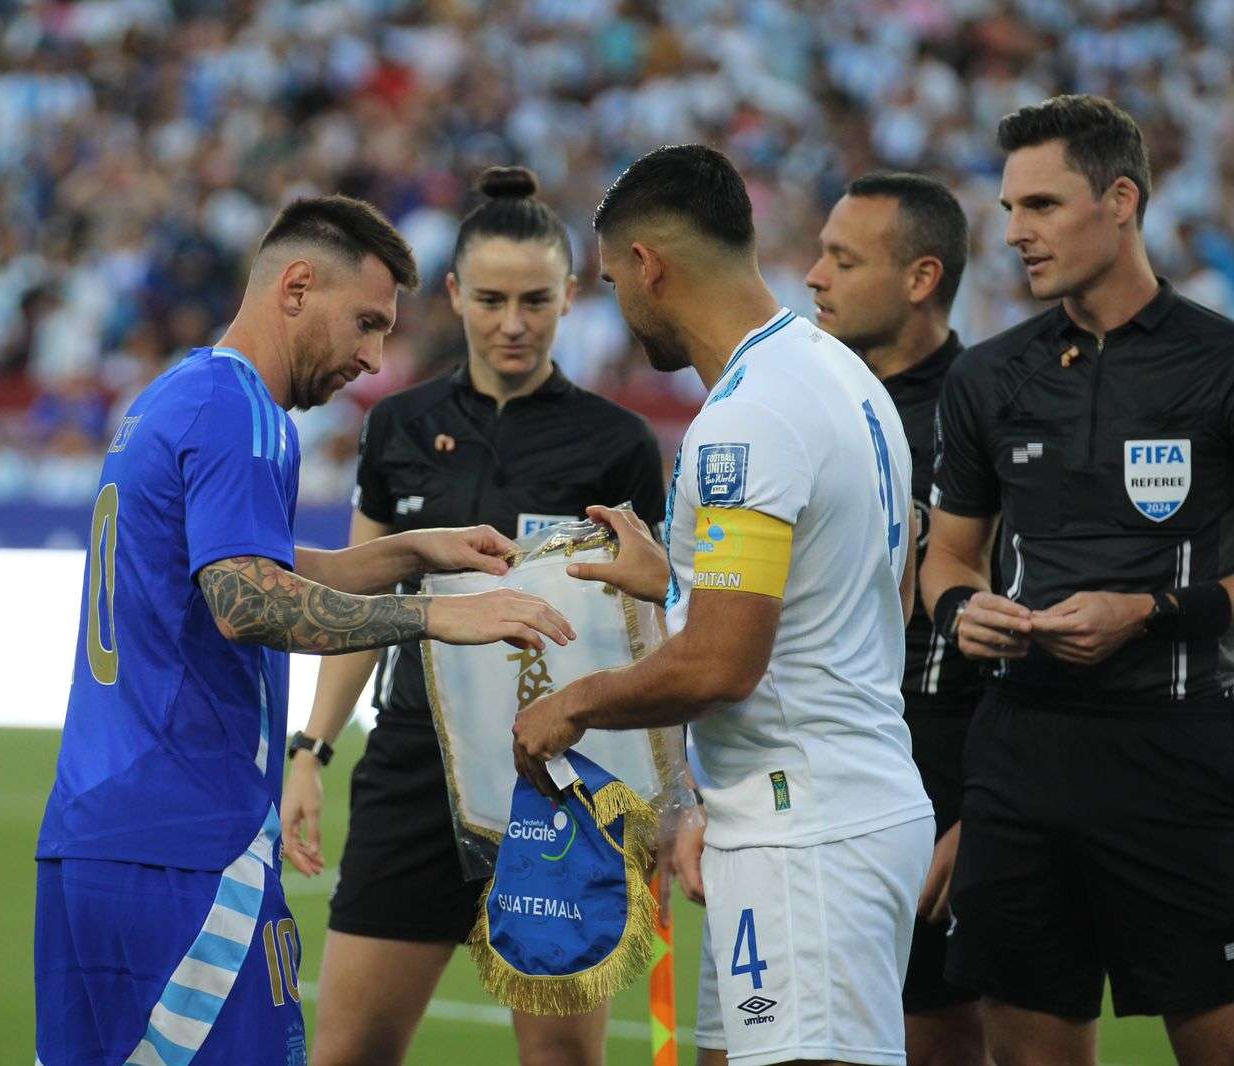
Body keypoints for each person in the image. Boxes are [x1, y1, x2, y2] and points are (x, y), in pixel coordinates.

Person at [32, 194, 577, 1066]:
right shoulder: (244, 410)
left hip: (93, 837)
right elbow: (245, 601)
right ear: (295, 288)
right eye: (365, 323)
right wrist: (439, 616)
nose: (371, 357)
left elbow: (243, 563)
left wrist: (405, 552)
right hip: (189, 843)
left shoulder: (176, 393)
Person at [511, 144, 934, 1066]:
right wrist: (678, 582)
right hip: (807, 809)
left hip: (810, 831)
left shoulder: (748, 417)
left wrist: (568, 707)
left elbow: (719, 665)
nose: (617, 303)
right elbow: (865, 595)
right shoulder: (837, 372)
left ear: (650, 267)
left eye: (614, 278)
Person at [282, 166, 666, 1066]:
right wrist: (313, 749)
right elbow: (360, 600)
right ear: (454, 294)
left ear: (571, 296)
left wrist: (656, 807)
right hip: (411, 765)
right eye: (491, 299)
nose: (514, 322)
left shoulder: (617, 444)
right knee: (346, 1054)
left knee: (560, 1061)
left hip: (561, 782)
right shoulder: (399, 425)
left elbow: (651, 628)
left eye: (536, 299)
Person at [922, 94, 1234, 1066]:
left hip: (1178, 756)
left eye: (1043, 205)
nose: (1014, 232)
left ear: (1122, 200)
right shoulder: (989, 377)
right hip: (1021, 761)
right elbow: (949, 555)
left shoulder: (1219, 364)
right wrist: (963, 613)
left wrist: (1146, 613)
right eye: (1010, 207)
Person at [804, 172, 987, 1066]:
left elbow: (1015, 617)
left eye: (842, 258)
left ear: (920, 278)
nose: (814, 276)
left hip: (943, 764)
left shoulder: (986, 407)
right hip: (815, 765)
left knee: (935, 1034)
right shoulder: (810, 401)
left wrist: (983, 808)